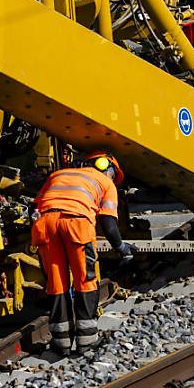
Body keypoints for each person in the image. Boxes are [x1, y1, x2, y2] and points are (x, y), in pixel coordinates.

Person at [31, 150, 134, 354]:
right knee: (84, 280)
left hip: (45, 225)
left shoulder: (58, 174)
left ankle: (61, 343)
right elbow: (108, 222)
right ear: (109, 168)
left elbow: (34, 206)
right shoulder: (106, 183)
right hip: (76, 225)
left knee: (56, 283)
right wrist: (121, 247)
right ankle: (86, 341)